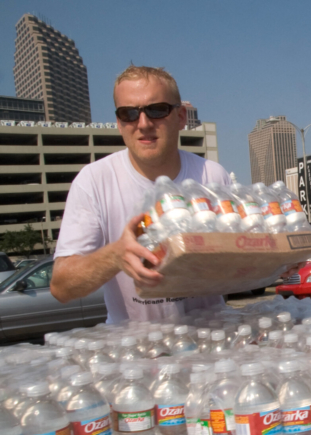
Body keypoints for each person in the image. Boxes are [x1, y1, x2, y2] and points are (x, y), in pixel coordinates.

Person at [50, 66, 230, 323]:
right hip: (136, 352)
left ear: (180, 117)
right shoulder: (94, 181)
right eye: (129, 113)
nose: (143, 123)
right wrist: (116, 255)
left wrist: (276, 262)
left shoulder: (212, 177)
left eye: (157, 110)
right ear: (119, 123)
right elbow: (62, 287)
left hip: (210, 343)